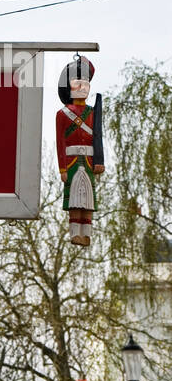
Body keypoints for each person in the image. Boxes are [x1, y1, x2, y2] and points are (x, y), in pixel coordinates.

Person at [56, 55, 104, 246]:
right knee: (75, 199)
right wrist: (62, 168)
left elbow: (98, 138)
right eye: (78, 83)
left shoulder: (92, 113)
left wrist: (100, 162)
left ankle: (87, 233)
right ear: (70, 87)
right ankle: (75, 232)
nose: (82, 87)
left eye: (85, 83)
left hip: (90, 161)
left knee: (88, 200)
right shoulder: (62, 114)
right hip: (72, 160)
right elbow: (60, 142)